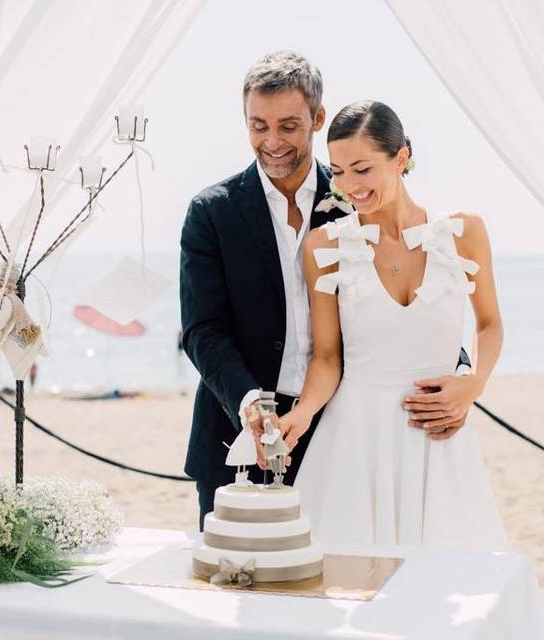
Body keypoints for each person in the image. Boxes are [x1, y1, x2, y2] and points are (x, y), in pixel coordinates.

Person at [179, 51, 471, 530]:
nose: (271, 142)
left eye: (288, 126)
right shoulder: (212, 212)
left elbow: (409, 301)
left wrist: (459, 376)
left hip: (345, 432)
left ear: (317, 118)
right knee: (243, 585)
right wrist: (249, 399)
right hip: (238, 432)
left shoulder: (361, 199)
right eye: (258, 126)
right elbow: (202, 330)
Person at [282, 101, 508, 550]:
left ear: (401, 157)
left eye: (362, 169)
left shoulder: (465, 231)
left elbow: (489, 324)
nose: (348, 186)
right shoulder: (324, 246)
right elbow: (327, 357)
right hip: (355, 440)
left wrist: (473, 385)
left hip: (438, 436)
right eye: (338, 171)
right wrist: (303, 413)